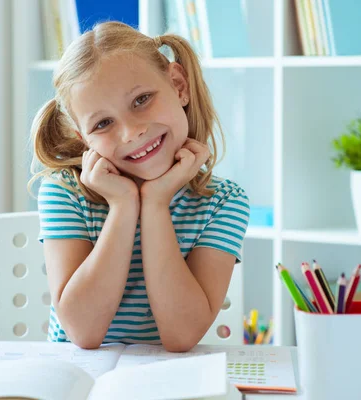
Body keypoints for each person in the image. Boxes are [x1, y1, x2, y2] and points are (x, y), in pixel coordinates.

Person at [29, 21, 250, 352]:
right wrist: (122, 206)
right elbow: (83, 332)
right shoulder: (64, 191)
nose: (131, 133)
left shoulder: (223, 202)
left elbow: (181, 336)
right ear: (83, 139)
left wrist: (156, 204)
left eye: (141, 100)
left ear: (178, 85)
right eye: (103, 123)